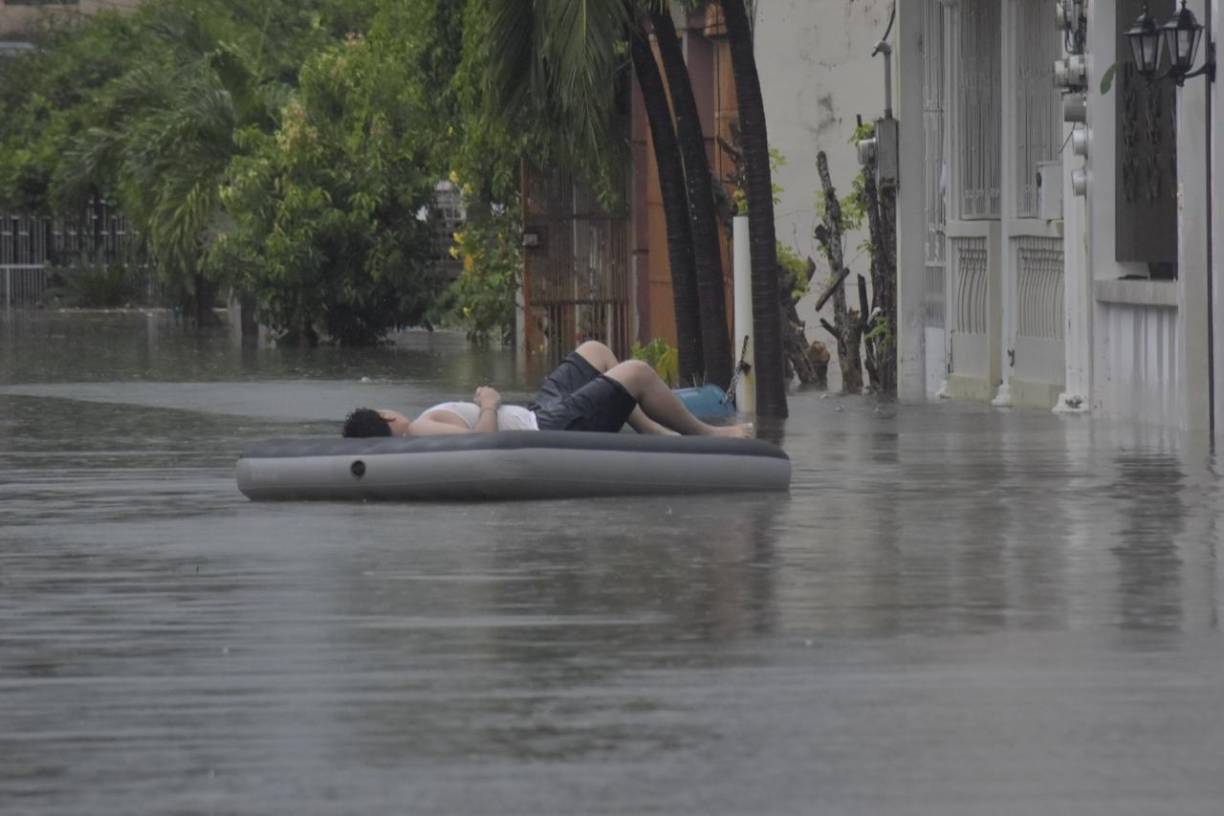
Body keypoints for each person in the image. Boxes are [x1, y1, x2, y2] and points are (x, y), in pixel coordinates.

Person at [343, 340, 753, 439]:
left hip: (540, 412)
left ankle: (654, 434)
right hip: (550, 426)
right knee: (639, 371)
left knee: (595, 350)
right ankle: (710, 435)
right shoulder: (417, 430)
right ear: (386, 417)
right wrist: (488, 402)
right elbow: (481, 447)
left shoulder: (420, 430)